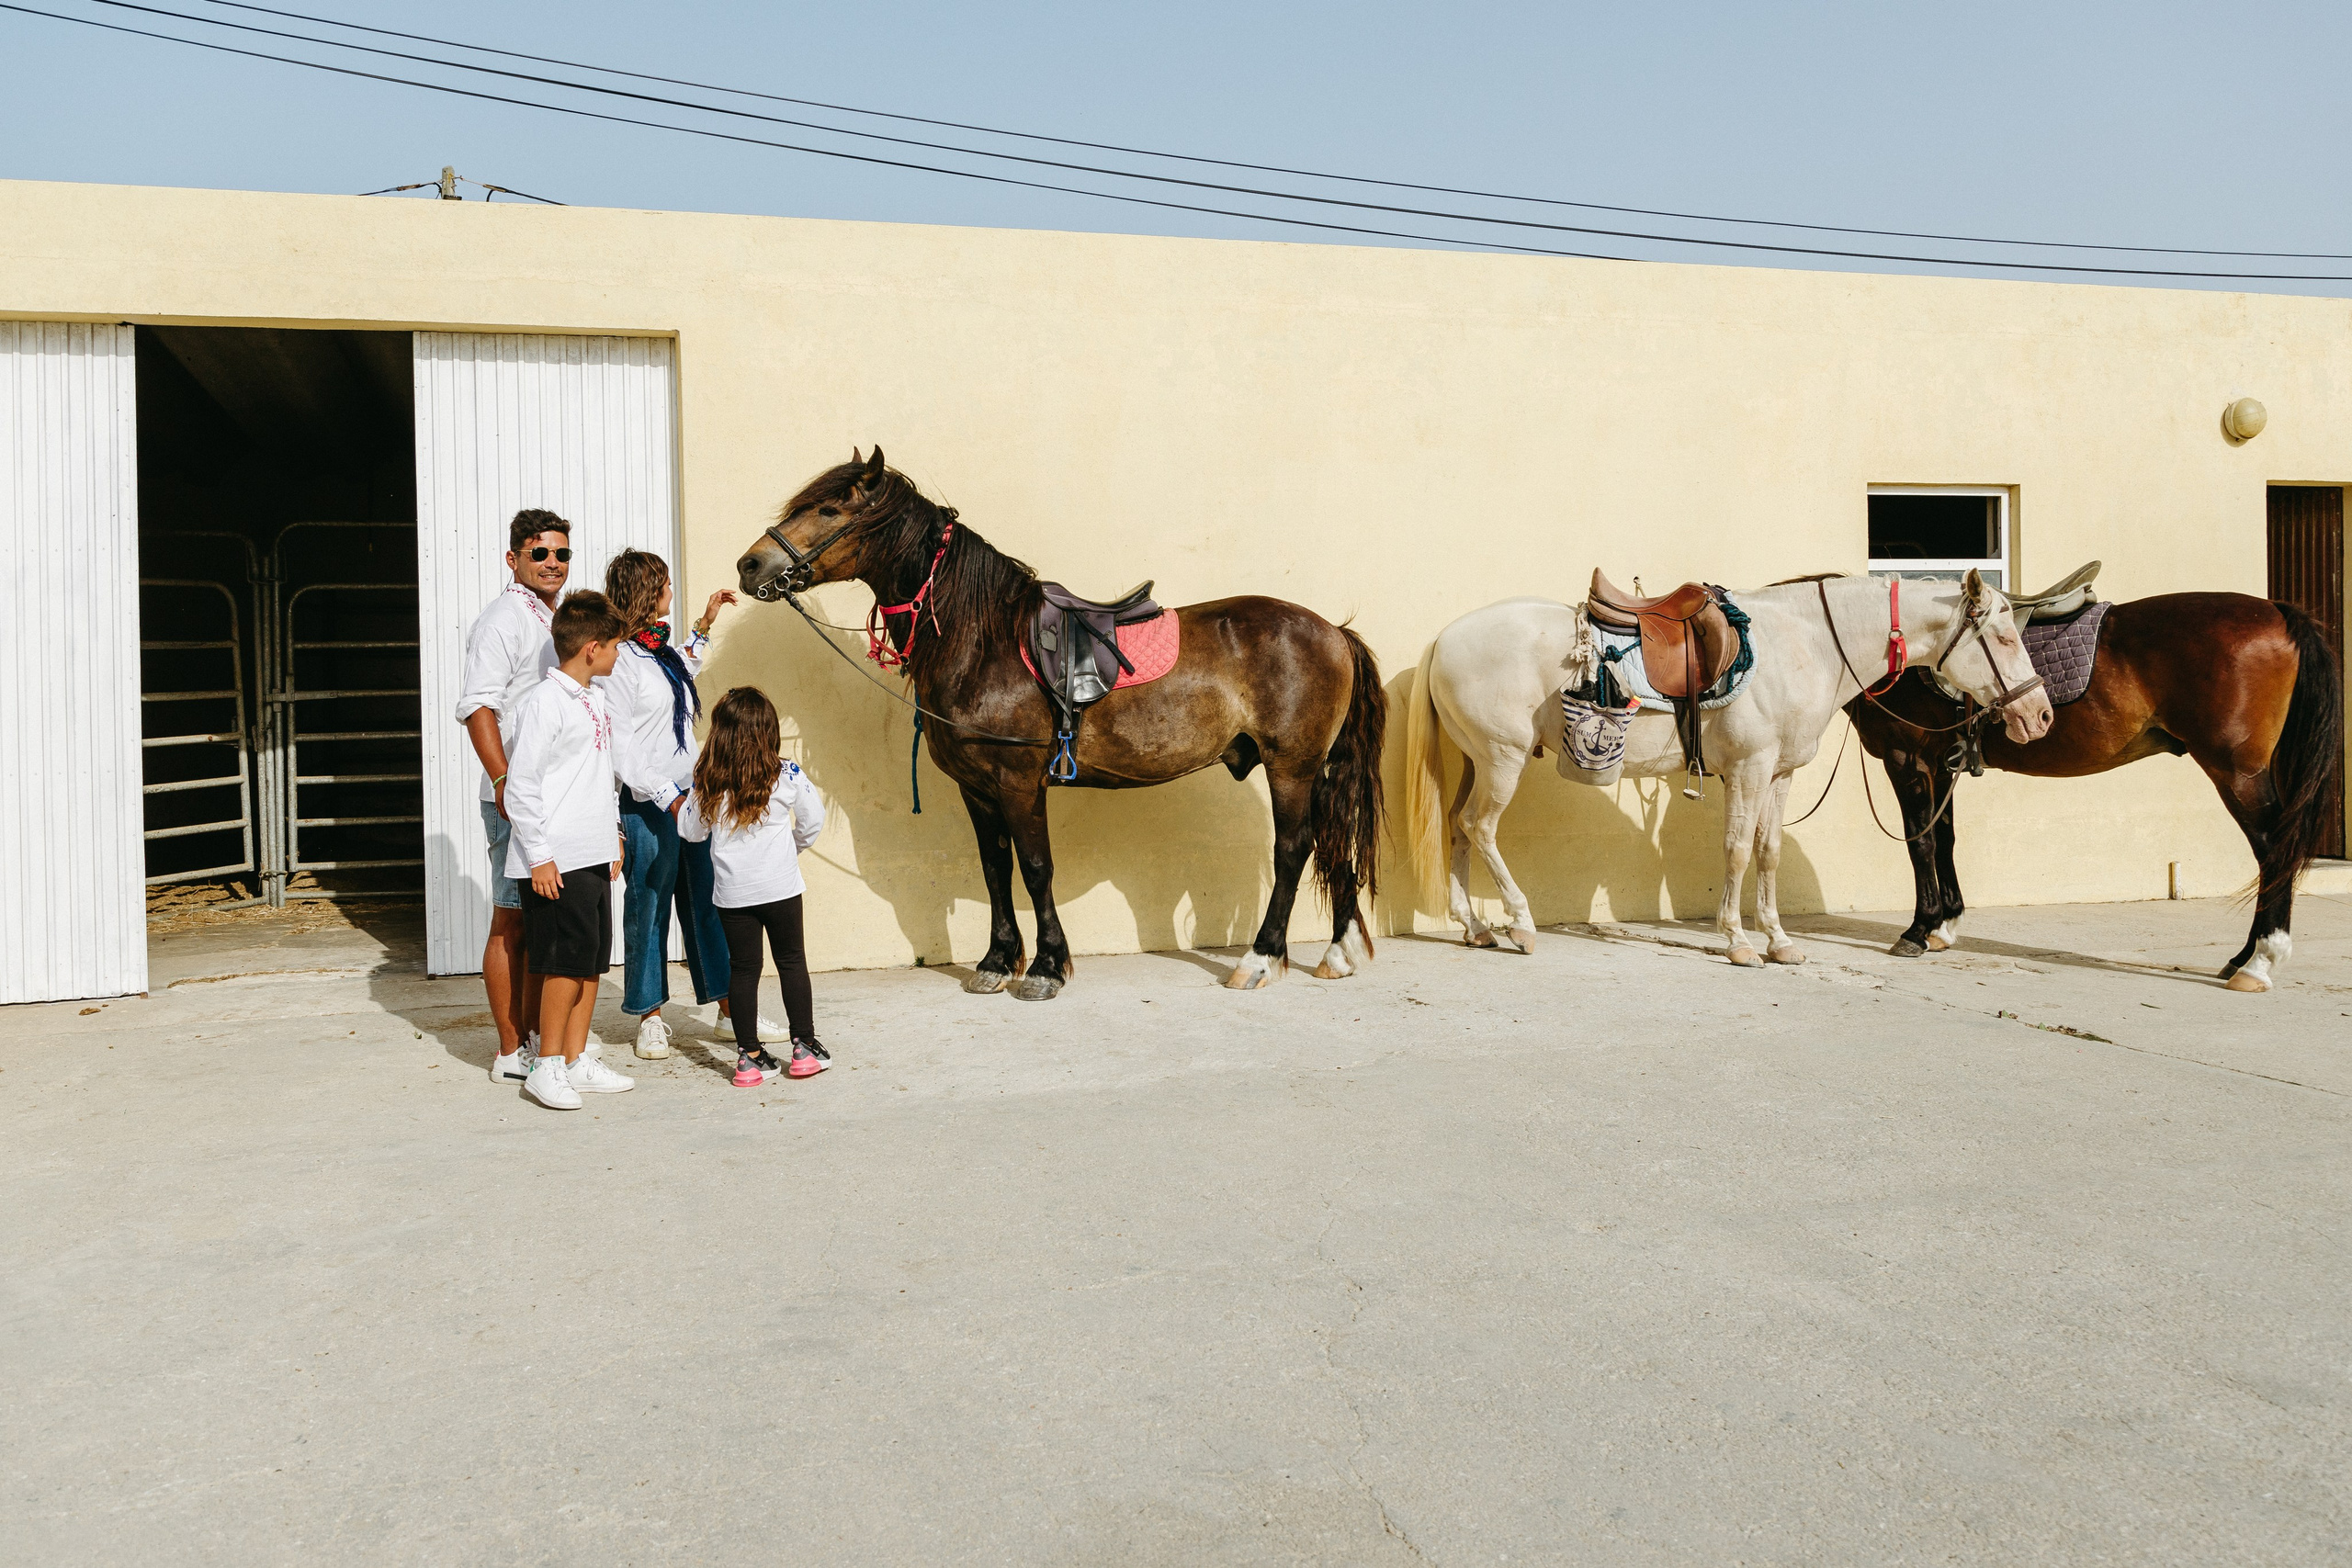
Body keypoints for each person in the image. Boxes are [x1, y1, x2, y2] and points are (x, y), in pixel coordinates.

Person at [599, 548, 786, 1059]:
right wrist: (667, 797)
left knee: (709, 904)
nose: (670, 591)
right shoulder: (619, 662)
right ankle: (650, 1016)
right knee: (650, 908)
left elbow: (684, 666)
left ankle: (730, 1011)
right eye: (663, 584)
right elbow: (623, 749)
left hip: (692, 799)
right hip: (651, 804)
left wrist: (705, 623)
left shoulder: (656, 651)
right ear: (644, 592)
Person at [456, 507, 593, 1086]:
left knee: (544, 925)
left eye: (562, 553)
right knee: (510, 920)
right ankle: (511, 1050)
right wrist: (504, 781)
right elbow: (477, 706)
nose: (553, 563)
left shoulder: (554, 618)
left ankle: (541, 1041)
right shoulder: (502, 621)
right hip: (515, 796)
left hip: (552, 799)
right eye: (540, 553)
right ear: (513, 559)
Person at [505, 590, 639, 1111]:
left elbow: (598, 778)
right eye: (615, 647)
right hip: (555, 858)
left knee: (588, 964)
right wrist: (539, 856)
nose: (619, 655)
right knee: (560, 964)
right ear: (592, 648)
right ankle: (547, 1066)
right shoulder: (544, 702)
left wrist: (613, 838)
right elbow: (522, 786)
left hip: (593, 852)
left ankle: (577, 1059)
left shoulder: (594, 698)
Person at [677, 687, 831, 1088]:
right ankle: (804, 1048)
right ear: (768, 730)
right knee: (792, 962)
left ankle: (748, 1057)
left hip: (733, 895)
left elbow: (690, 832)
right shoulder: (788, 773)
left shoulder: (708, 781)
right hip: (781, 888)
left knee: (743, 969)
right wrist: (789, 851)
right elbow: (814, 821)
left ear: (721, 733)